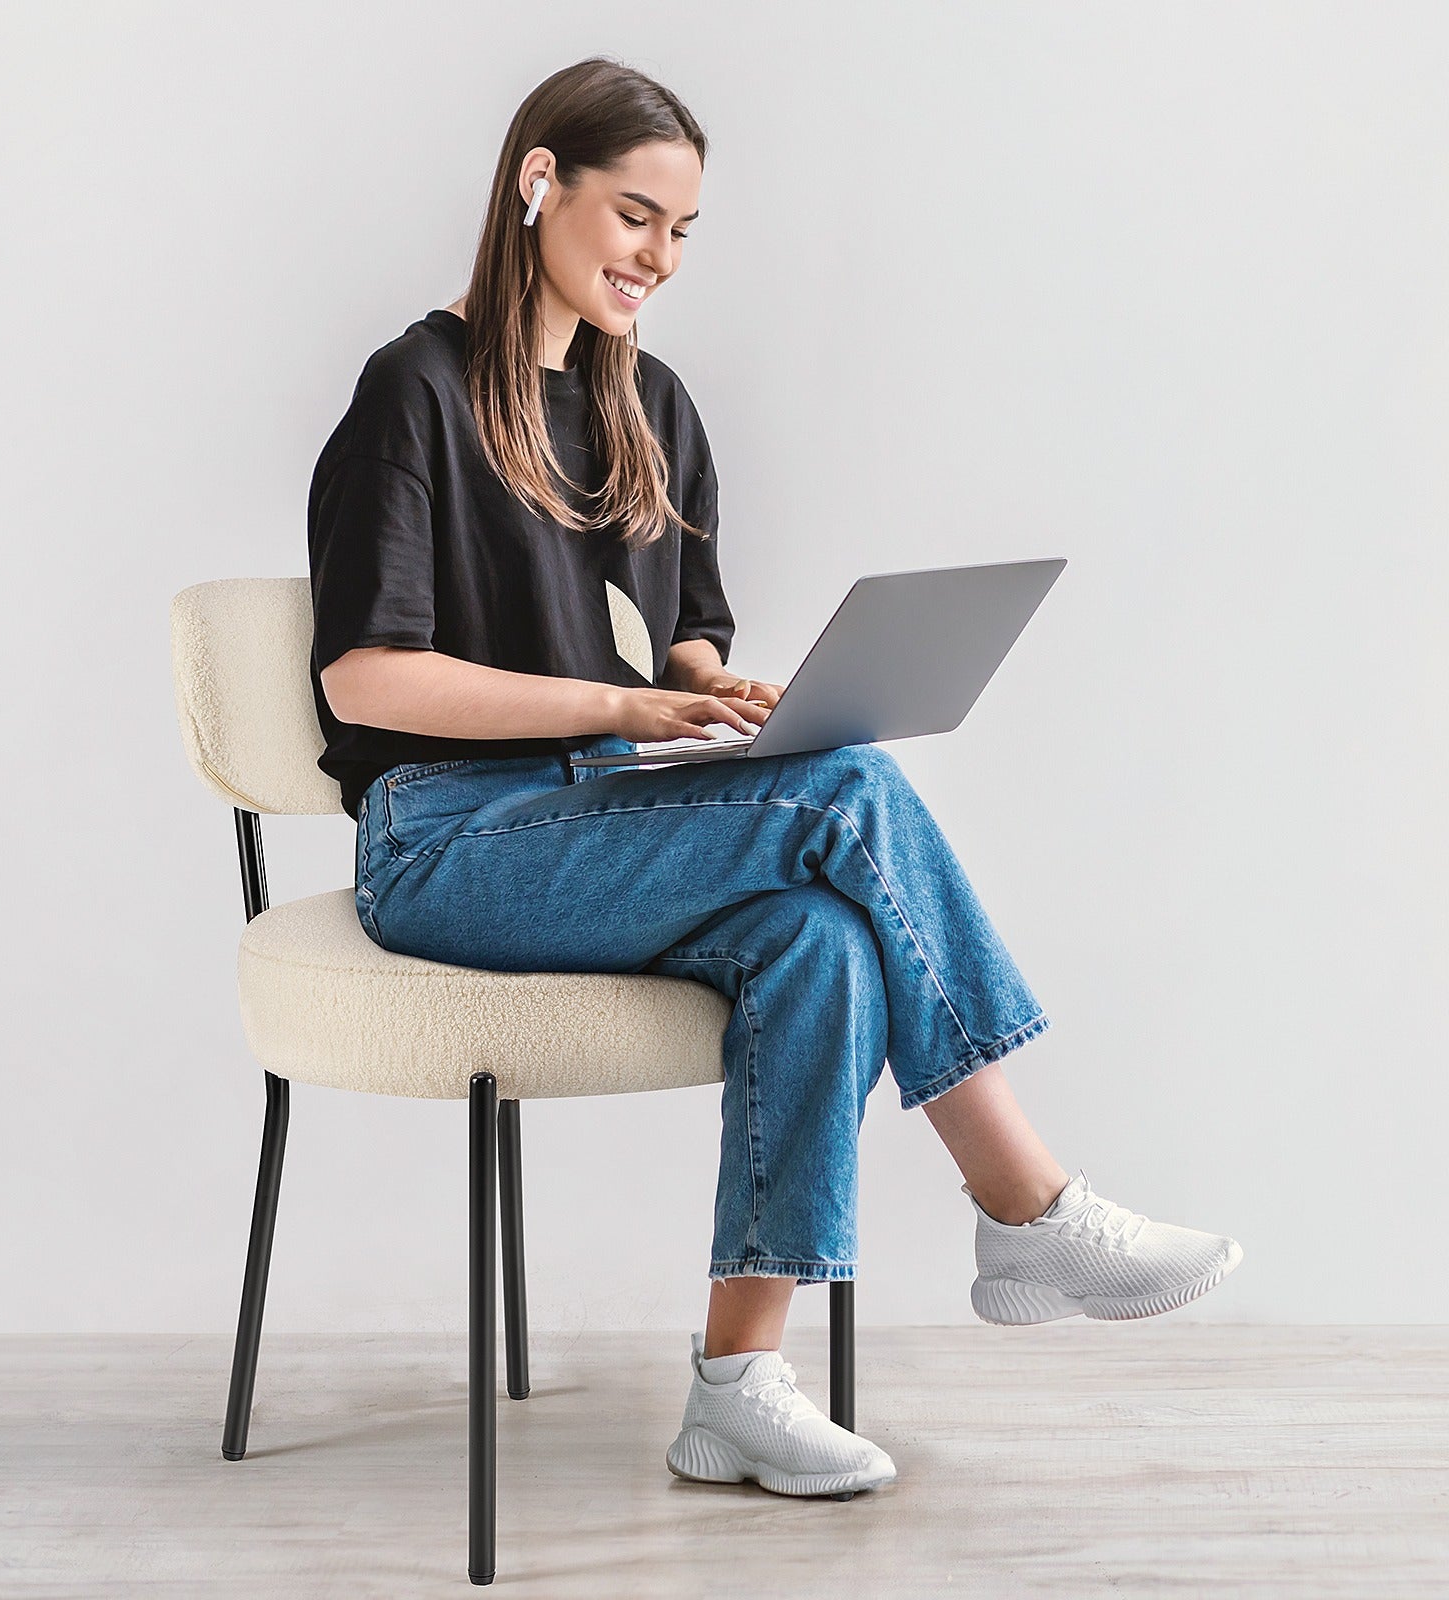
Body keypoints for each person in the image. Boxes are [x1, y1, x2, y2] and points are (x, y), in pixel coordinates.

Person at [307, 56, 1244, 1501]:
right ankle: (1022, 1201)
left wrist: (705, 688)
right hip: (447, 839)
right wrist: (622, 699)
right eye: (634, 217)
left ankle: (737, 1385)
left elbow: (682, 627)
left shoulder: (649, 403)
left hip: (596, 818)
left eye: (681, 233)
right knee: (851, 794)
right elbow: (367, 680)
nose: (656, 260)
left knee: (818, 938)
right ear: (535, 182)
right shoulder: (413, 392)